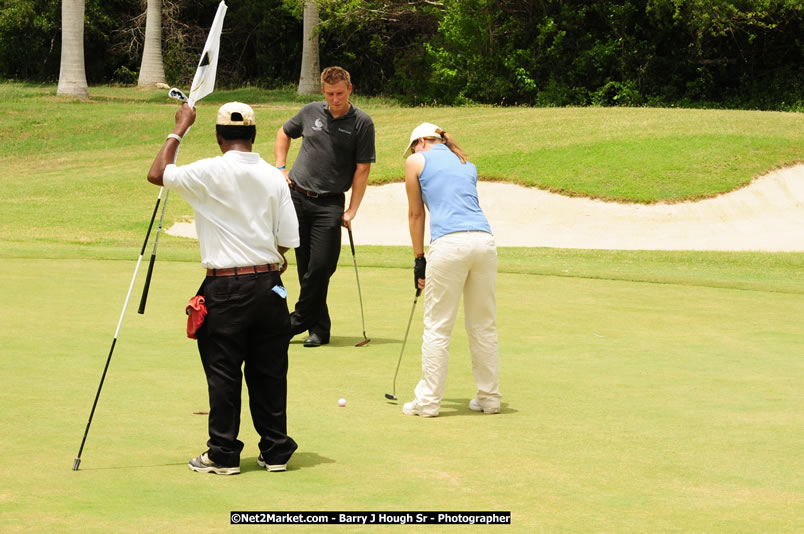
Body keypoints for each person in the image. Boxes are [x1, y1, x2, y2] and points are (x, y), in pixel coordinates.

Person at [147, 102, 300, 475]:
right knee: (269, 372)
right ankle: (276, 450)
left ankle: (224, 453)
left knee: (224, 372)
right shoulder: (273, 176)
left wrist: (179, 128)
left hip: (225, 288)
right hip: (269, 285)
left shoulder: (207, 171)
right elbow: (287, 240)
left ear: (218, 137)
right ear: (253, 135)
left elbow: (157, 173)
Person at [401, 122, 502, 418]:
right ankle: (489, 398)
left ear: (421, 141)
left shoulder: (415, 161)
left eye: (413, 146)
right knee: (483, 325)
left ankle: (428, 402)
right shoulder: (465, 161)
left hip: (449, 245)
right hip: (484, 243)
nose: (412, 151)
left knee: (437, 327)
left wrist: (419, 258)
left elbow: (416, 213)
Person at [274, 66, 376, 347]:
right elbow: (284, 133)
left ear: (350, 89)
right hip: (296, 196)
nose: (335, 99)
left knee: (321, 267)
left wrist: (352, 209)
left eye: (340, 93)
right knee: (305, 267)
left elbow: (362, 169)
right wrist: (281, 167)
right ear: (323, 92)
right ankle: (319, 330)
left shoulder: (361, 123)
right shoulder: (310, 112)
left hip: (330, 203)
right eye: (330, 94)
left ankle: (296, 321)